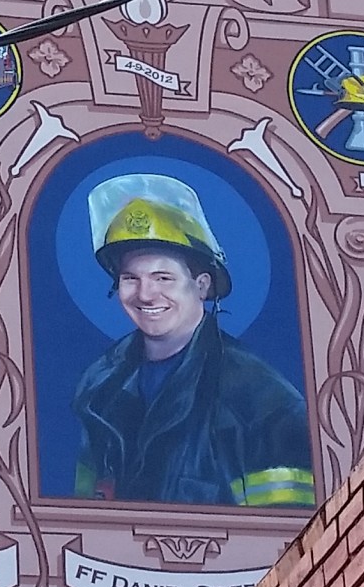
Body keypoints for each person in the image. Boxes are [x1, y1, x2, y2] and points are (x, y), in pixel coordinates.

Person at [72, 175, 314, 508]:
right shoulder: (99, 387)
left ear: (202, 286)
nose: (145, 294)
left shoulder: (261, 401)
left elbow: (289, 536)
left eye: (163, 278)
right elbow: (86, 509)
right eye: (130, 278)